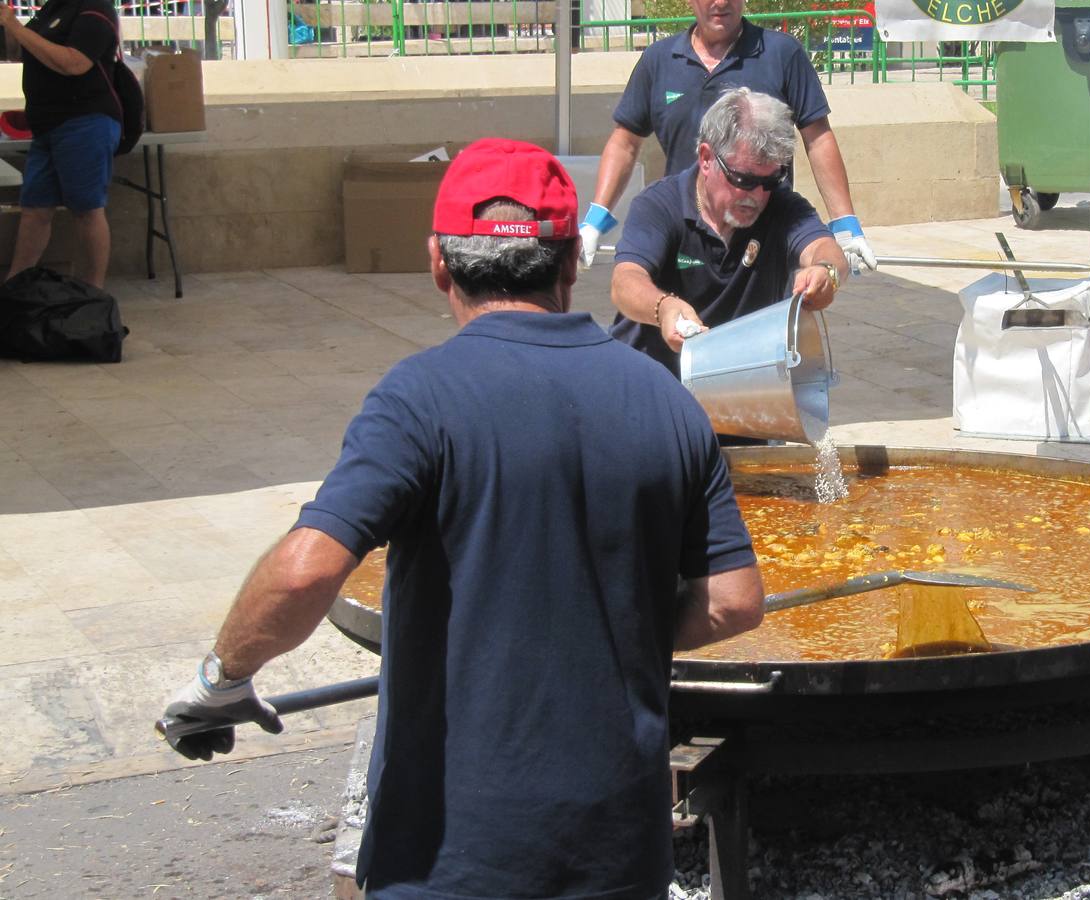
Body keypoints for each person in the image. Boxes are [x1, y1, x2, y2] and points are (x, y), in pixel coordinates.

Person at [158, 139, 765, 898]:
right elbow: (736, 599)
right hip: (617, 847)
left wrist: (223, 678)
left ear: (438, 262)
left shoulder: (419, 399)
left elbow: (305, 566)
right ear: (571, 264)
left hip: (453, 854)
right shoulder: (667, 402)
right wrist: (612, 628)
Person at [578, 0, 876, 275]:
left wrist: (844, 224)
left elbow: (818, 139)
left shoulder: (782, 54)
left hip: (764, 242)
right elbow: (625, 143)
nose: (720, 2)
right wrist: (596, 219)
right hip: (685, 242)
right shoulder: (659, 61)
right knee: (681, 325)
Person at [610, 88, 848, 379]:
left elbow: (825, 249)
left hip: (735, 386)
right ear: (707, 158)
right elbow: (625, 281)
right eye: (744, 180)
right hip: (653, 384)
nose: (758, 196)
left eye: (771, 180)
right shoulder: (659, 205)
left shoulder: (782, 205)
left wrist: (826, 273)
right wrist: (663, 307)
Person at [1, 0, 121, 288]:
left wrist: (16, 27)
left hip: (84, 122)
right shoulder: (52, 9)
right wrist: (9, 26)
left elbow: (74, 63)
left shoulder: (95, 10)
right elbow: (22, 51)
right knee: (35, 210)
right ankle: (16, 287)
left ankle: (93, 294)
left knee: (86, 210)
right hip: (46, 126)